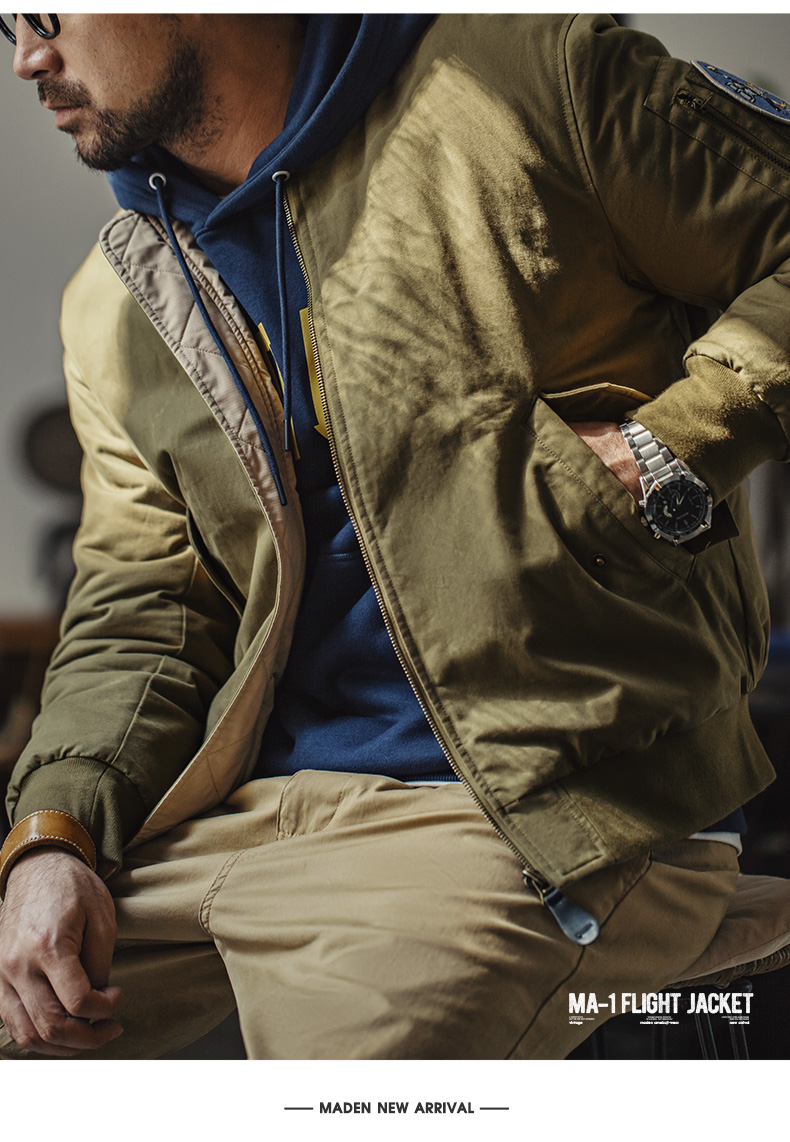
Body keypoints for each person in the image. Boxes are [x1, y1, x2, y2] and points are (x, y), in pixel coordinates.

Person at [0, 12, 786, 1060]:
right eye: (7, 24)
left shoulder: (530, 83)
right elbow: (142, 609)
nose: (27, 58)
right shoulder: (114, 302)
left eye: (46, 13)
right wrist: (52, 837)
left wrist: (675, 447)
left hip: (522, 814)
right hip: (229, 825)